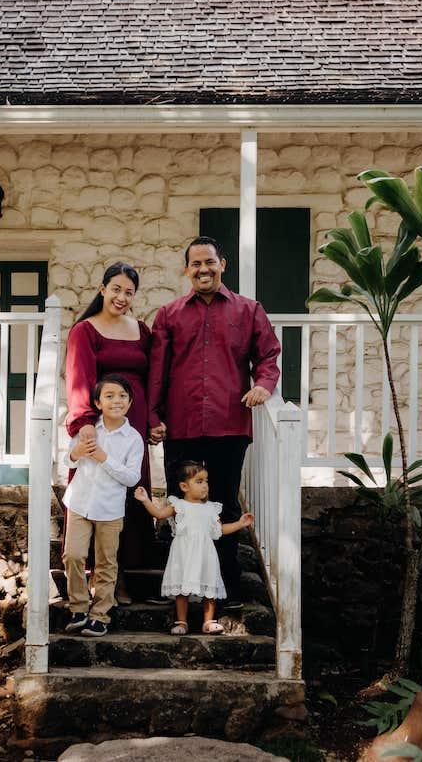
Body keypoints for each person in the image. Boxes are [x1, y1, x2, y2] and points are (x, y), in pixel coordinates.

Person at [147, 235, 281, 610]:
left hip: (228, 424)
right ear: (186, 270)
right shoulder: (169, 314)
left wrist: (263, 386)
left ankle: (226, 591)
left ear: (223, 264)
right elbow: (158, 371)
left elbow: (269, 355)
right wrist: (153, 416)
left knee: (223, 508)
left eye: (210, 262)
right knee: (179, 509)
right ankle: (179, 593)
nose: (203, 269)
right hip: (182, 425)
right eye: (195, 264)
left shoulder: (248, 310)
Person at [64, 261, 155, 604]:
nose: (121, 297)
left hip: (135, 426)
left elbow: (152, 377)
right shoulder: (85, 331)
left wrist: (154, 418)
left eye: (129, 292)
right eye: (115, 289)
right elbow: (78, 379)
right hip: (98, 428)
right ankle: (93, 581)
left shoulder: (142, 330)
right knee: (97, 495)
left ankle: (125, 578)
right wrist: (84, 423)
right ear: (102, 289)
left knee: (132, 493)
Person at [61, 374, 145, 638]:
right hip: (79, 502)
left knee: (107, 562)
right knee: (73, 555)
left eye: (122, 396)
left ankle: (100, 615)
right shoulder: (88, 430)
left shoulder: (133, 439)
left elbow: (132, 478)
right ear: (98, 403)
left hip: (110, 508)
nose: (116, 401)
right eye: (109, 396)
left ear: (130, 402)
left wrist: (104, 458)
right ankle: (78, 608)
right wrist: (77, 453)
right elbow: (69, 460)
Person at [134, 462, 255, 635]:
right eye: (199, 481)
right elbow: (159, 514)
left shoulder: (211, 508)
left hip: (205, 553)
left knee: (209, 585)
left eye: (206, 481)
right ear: (184, 486)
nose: (205, 485)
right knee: (182, 588)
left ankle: (208, 621)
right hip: (184, 553)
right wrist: (146, 500)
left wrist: (240, 523)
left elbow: (220, 530)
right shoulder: (179, 505)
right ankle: (182, 622)